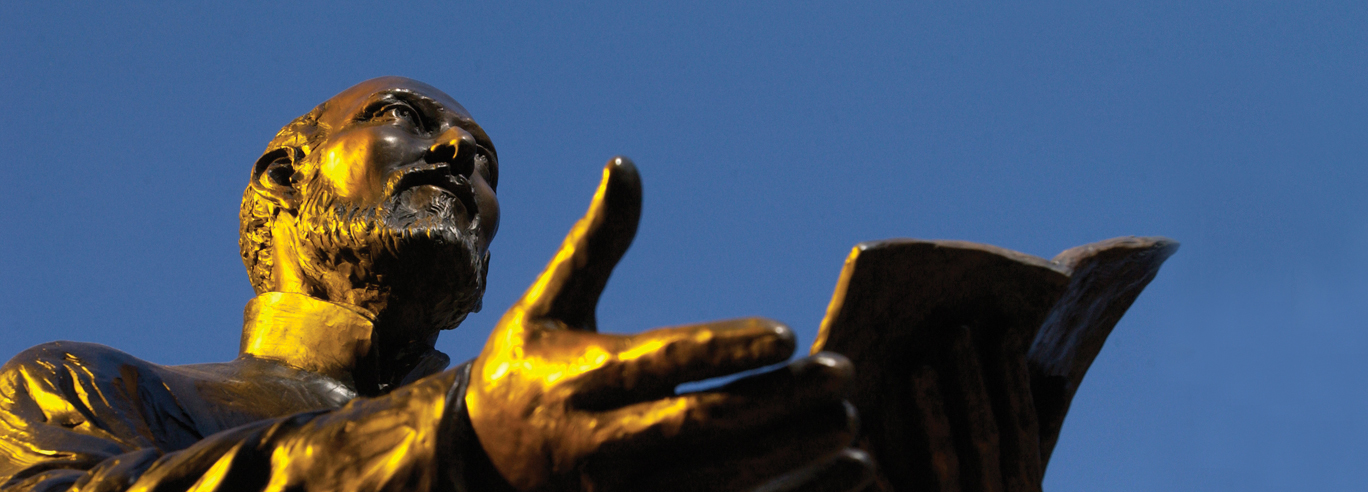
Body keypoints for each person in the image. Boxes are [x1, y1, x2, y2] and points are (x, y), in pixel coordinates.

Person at [0, 77, 871, 492]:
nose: (459, 156)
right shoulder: (89, 387)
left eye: (486, 161)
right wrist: (454, 439)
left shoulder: (561, 436)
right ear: (279, 178)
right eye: (404, 119)